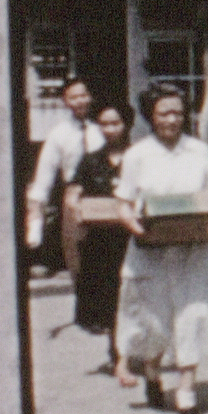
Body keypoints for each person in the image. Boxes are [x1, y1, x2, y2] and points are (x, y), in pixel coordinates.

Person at [113, 84, 208, 414]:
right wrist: (136, 228)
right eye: (164, 113)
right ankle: (151, 373)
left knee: (193, 315)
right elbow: (123, 203)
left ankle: (186, 393)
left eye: (178, 112)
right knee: (154, 322)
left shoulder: (200, 151)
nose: (172, 119)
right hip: (151, 250)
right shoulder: (137, 155)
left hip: (192, 250)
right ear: (151, 116)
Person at [65, 101, 134, 361]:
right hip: (102, 240)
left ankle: (133, 348)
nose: (110, 129)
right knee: (109, 295)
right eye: (104, 124)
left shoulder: (138, 157)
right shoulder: (91, 160)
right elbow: (74, 192)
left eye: (115, 123)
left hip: (133, 236)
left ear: (126, 124)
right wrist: (76, 209)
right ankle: (116, 348)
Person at [26, 76, 104, 271]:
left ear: (90, 97)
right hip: (73, 196)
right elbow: (44, 176)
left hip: (102, 194)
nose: (80, 101)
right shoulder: (58, 134)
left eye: (83, 95)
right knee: (76, 257)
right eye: (73, 97)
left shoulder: (101, 130)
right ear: (65, 101)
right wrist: (35, 214)